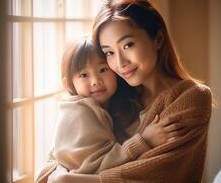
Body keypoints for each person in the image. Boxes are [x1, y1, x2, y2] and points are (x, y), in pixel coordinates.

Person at [37, 0, 212, 183]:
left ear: (158, 39)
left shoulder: (191, 97)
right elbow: (62, 153)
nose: (120, 63)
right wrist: (58, 173)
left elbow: (158, 176)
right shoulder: (111, 90)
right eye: (109, 52)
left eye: (128, 45)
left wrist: (71, 180)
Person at [46, 37, 185, 176]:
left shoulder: (110, 105)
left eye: (103, 70)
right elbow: (95, 167)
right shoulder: (79, 112)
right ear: (68, 84)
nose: (95, 81)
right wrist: (145, 140)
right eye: (83, 75)